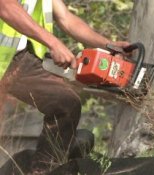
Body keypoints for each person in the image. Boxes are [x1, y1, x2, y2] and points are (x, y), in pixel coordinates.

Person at [0, 0, 129, 174]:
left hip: (14, 60)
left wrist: (107, 45)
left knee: (66, 102)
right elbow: (6, 6)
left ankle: (44, 171)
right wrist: (53, 43)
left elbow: (66, 18)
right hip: (7, 59)